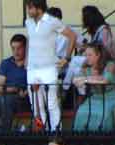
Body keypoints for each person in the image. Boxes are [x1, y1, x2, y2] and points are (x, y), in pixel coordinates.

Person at [25, 0, 76, 131]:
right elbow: (30, 40)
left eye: (30, 8)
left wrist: (67, 58)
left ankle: (55, 134)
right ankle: (44, 132)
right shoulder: (28, 22)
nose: (28, 11)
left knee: (51, 103)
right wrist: (27, 60)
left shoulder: (52, 21)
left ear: (39, 8)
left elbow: (72, 36)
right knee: (36, 105)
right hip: (32, 69)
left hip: (48, 68)